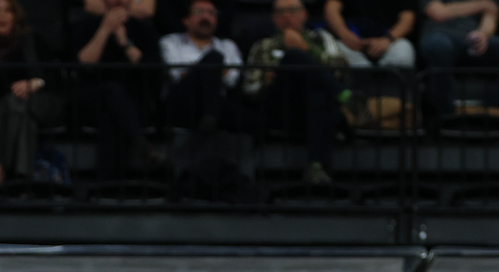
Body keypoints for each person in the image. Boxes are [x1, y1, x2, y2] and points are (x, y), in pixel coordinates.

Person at [244, 0, 351, 185]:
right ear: (274, 18)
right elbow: (249, 88)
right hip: (279, 107)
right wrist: (266, 82)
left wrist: (307, 48)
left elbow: (340, 69)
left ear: (304, 14)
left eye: (292, 10)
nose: (286, 16)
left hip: (315, 107)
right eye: (280, 12)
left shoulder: (322, 38)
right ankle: (347, 98)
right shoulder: (263, 45)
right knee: (293, 57)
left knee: (318, 93)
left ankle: (316, 167)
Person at [0, 0, 64, 187]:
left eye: (7, 11)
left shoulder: (31, 39)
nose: (2, 16)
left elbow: (57, 73)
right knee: (17, 109)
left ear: (15, 16)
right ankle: (23, 181)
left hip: (42, 101)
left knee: (14, 103)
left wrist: (35, 83)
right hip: (5, 108)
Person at [74, 0, 165, 176]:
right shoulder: (87, 25)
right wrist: (105, 30)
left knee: (110, 116)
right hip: (91, 98)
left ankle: (107, 188)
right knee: (111, 91)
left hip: (133, 101)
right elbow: (84, 64)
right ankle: (141, 145)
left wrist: (125, 43)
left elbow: (153, 72)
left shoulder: (144, 29)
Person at [160, 0, 250, 131]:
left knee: (255, 120)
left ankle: (210, 117)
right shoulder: (170, 42)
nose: (205, 17)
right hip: (182, 102)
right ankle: (210, 115)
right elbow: (177, 74)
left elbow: (232, 80)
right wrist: (215, 69)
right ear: (186, 20)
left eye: (211, 13)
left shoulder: (227, 46)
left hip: (217, 101)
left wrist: (197, 68)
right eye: (198, 12)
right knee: (214, 58)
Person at [419, 0, 499, 123]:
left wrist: (483, 34)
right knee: (438, 47)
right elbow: (438, 12)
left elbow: (491, 14)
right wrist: (483, 4)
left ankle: (495, 114)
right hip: (440, 35)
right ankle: (446, 119)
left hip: (472, 36)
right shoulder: (483, 2)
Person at [322, 0, 417, 67]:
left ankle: (392, 94)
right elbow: (331, 9)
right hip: (352, 43)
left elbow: (408, 18)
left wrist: (387, 40)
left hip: (388, 41)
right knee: (337, 52)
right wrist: (345, 35)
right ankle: (358, 94)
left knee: (404, 51)